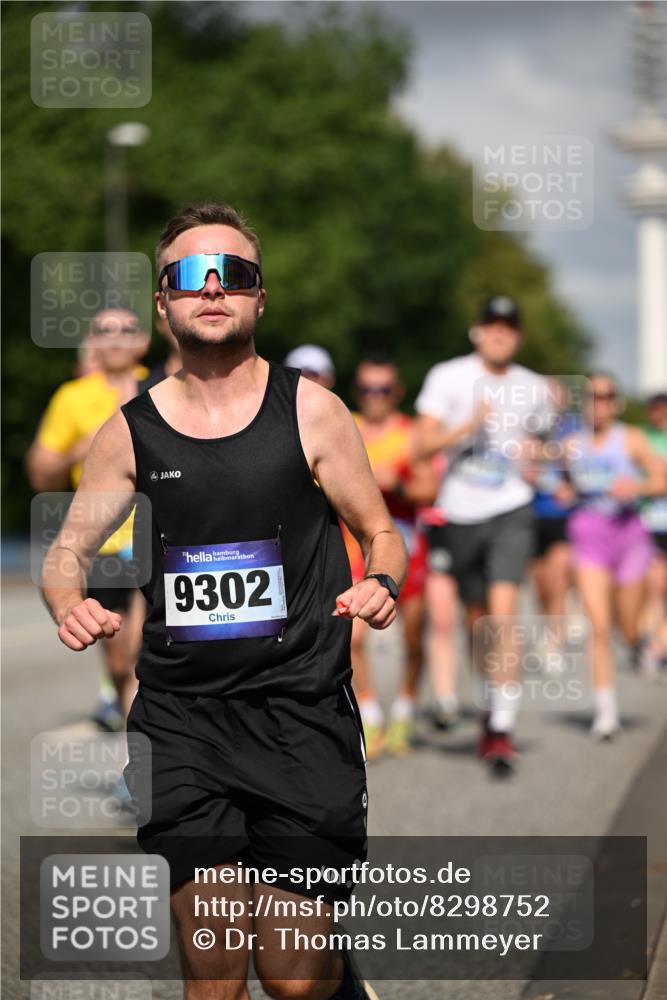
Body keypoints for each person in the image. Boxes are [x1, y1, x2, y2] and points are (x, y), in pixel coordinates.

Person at [41, 201, 407, 1000]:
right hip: (182, 725)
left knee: (292, 980)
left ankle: (337, 978)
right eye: (190, 277)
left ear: (259, 298)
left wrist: (380, 582)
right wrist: (67, 598)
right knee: (214, 979)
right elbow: (65, 551)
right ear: (163, 303)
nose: (213, 290)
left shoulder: (311, 409)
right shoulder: (129, 431)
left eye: (232, 274)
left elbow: (382, 532)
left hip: (299, 715)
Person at [413, 295, 552, 774]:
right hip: (459, 512)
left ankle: (502, 726)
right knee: (479, 624)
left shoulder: (532, 386)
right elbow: (420, 443)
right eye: (492, 325)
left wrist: (541, 455)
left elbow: (541, 443)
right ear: (477, 331)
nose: (500, 334)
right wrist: (467, 425)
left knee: (503, 613)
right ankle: (490, 710)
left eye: (509, 327)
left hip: (510, 508)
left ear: (518, 336)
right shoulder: (448, 376)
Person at [27, 307, 151, 723]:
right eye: (104, 331)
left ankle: (149, 763)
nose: (116, 338)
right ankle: (136, 736)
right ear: (93, 341)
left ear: (143, 340)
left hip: (157, 533)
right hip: (104, 541)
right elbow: (41, 474)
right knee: (119, 664)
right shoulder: (73, 397)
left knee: (143, 651)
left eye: (127, 329)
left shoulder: (163, 387)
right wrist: (78, 451)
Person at [340, 354, 439, 758]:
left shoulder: (411, 434)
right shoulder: (346, 427)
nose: (374, 397)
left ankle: (404, 707)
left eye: (382, 390)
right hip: (353, 547)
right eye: (366, 389)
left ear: (396, 392)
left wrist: (398, 484)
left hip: (406, 545)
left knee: (413, 639)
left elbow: (430, 490)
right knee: (351, 635)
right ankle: (369, 714)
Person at [566, 373, 665, 737]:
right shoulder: (572, 444)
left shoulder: (632, 439)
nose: (600, 404)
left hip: (629, 535)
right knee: (599, 624)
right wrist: (562, 491)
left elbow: (662, 479)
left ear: (617, 403)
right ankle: (605, 710)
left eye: (607, 397)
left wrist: (637, 486)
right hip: (588, 534)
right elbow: (554, 481)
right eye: (593, 397)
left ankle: (639, 644)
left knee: (626, 624)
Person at [529, 377, 578, 672]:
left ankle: (555, 642)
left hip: (561, 516)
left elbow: (582, 467)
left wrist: (571, 488)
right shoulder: (529, 427)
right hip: (532, 514)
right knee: (541, 585)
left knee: (557, 580)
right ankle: (549, 627)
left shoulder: (574, 429)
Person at [639, 392, 667, 675]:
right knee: (655, 587)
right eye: (653, 408)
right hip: (651, 522)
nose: (656, 413)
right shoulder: (641, 437)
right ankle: (655, 645)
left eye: (660, 409)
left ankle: (659, 643)